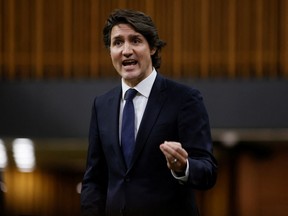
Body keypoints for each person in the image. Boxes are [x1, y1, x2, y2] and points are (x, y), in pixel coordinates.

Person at [81, 9, 217, 216]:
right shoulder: (102, 105)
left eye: (135, 40)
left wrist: (183, 167)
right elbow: (94, 179)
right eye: (118, 42)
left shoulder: (184, 99)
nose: (126, 50)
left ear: (152, 47)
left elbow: (208, 171)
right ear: (110, 51)